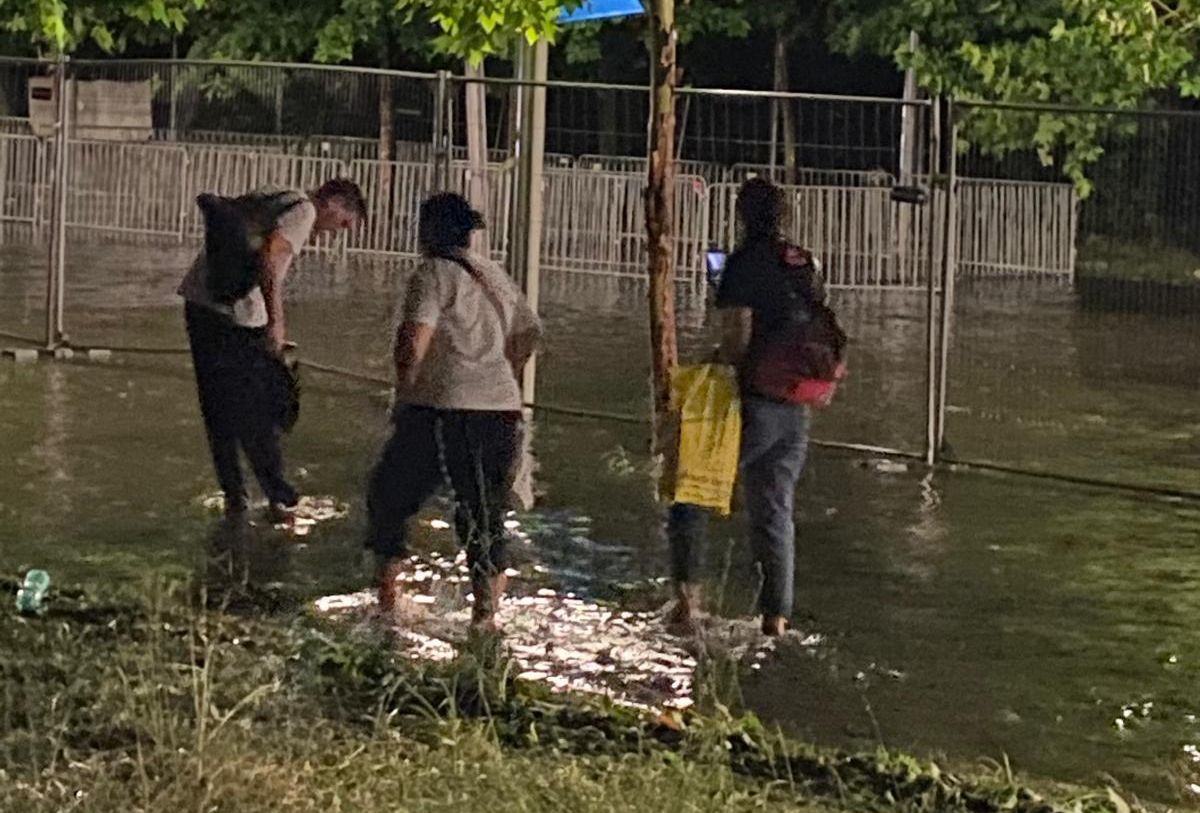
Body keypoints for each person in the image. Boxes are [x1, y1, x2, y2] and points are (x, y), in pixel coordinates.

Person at [366, 192, 542, 631]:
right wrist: (500, 374)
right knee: (484, 512)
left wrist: (403, 395)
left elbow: (412, 344)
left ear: (427, 231)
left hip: (441, 408)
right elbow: (528, 334)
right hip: (501, 409)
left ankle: (388, 602)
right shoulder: (494, 274)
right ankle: (485, 619)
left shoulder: (432, 273)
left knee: (389, 495)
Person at [667, 177, 827, 637]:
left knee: (689, 493)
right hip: (795, 407)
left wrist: (709, 365)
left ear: (742, 214)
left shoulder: (744, 264)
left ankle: (686, 606)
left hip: (752, 404)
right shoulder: (803, 263)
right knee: (774, 510)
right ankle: (776, 619)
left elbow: (736, 339)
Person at [180, 179, 366, 522]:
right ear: (335, 203)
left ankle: (235, 496)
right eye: (342, 223)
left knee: (217, 408)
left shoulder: (277, 194)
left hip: (200, 300)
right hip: (236, 314)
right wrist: (275, 325)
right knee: (256, 408)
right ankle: (281, 498)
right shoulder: (304, 211)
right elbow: (271, 258)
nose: (334, 233)